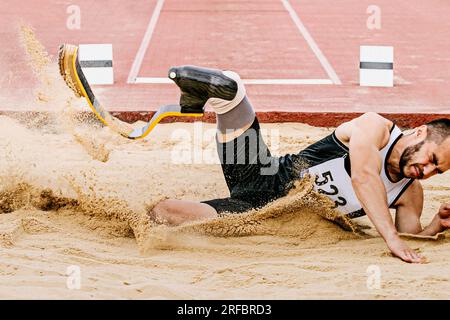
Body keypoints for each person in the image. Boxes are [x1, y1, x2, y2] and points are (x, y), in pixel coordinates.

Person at [153, 65, 450, 264]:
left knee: (165, 213)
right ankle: (228, 94)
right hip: (267, 176)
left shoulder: (410, 193)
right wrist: (390, 239)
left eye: (437, 171)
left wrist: (436, 225)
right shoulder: (376, 128)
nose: (427, 172)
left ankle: (228, 98)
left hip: (265, 217)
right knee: (232, 108)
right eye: (432, 159)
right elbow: (363, 176)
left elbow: (408, 240)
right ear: (421, 132)